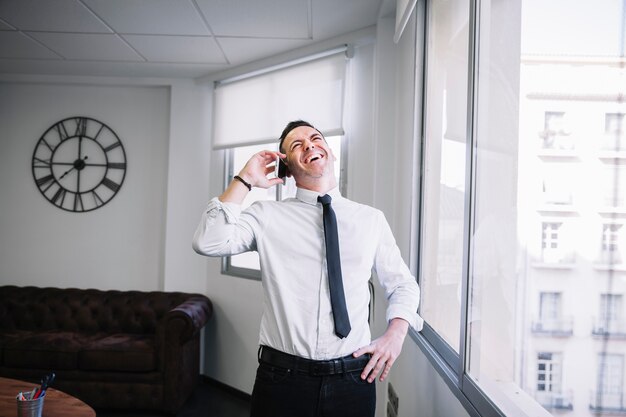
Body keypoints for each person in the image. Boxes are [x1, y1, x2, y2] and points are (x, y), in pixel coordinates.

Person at [192, 120, 422, 417]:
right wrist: (244, 180)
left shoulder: (370, 220)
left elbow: (403, 284)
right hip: (283, 379)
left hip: (353, 377)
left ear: (330, 152)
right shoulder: (266, 216)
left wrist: (396, 334)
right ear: (286, 169)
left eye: (315, 138)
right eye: (297, 145)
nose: (310, 145)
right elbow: (208, 242)